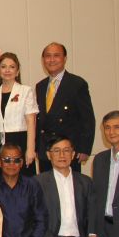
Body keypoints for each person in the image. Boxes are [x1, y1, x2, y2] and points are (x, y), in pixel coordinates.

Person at [36, 42, 95, 173]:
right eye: (48, 56)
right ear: (43, 60)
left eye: (56, 55)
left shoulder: (77, 84)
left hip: (68, 151)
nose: (52, 60)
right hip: (46, 151)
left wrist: (84, 148)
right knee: (46, 184)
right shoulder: (40, 86)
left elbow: (87, 118)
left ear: (65, 58)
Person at [0, 52, 38, 176]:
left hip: (20, 140)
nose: (7, 70)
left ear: (17, 71)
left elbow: (31, 121)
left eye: (12, 67)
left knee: (23, 180)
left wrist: (30, 149)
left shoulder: (25, 91)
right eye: (3, 67)